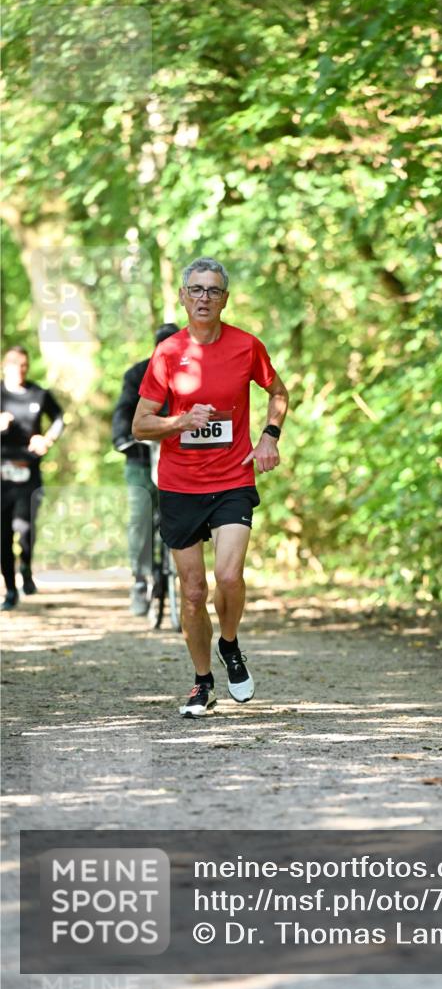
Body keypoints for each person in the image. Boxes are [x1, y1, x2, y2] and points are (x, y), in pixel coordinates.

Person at [132, 257, 289, 717]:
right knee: (194, 592)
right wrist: (181, 420)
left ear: (225, 298)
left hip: (233, 478)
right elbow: (142, 424)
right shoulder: (166, 355)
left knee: (228, 577)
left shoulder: (246, 346)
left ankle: (231, 643)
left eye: (213, 291)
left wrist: (268, 438)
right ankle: (202, 683)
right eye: (195, 290)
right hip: (181, 485)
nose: (204, 298)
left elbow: (278, 393)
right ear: (183, 296)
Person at [112, 323, 180, 615]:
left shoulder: (191, 374)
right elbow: (124, 410)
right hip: (141, 457)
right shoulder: (137, 374)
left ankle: (185, 576)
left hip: (179, 457)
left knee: (187, 511)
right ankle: (140, 579)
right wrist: (122, 439)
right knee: (140, 515)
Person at [0, 346, 65, 611]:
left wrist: (47, 438)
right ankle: (10, 590)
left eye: (25, 367)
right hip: (2, 472)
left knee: (25, 529)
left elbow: (59, 417)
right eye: (16, 367)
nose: (21, 372)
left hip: (29, 470)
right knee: (3, 534)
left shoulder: (39, 393)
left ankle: (25, 567)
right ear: (6, 367)